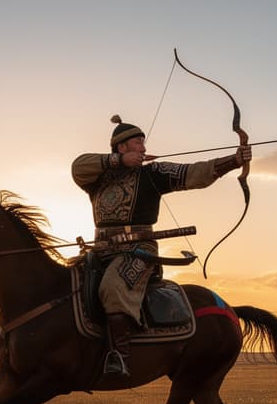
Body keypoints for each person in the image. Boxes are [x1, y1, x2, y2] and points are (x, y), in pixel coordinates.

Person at [72, 115, 251, 376]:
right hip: (100, 251)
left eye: (143, 143)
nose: (144, 148)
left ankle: (119, 356)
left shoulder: (152, 174)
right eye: (138, 143)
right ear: (122, 147)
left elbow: (195, 173)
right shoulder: (98, 178)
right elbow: (77, 166)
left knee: (113, 286)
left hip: (138, 253)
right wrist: (119, 162)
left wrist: (235, 160)